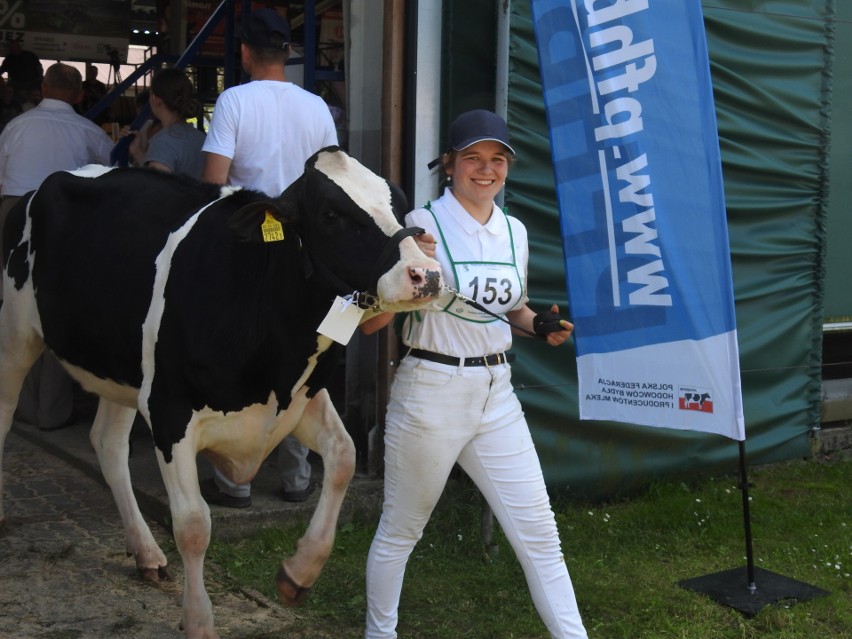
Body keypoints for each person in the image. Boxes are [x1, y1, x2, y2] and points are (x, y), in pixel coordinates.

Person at [361, 110, 588, 639]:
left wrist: (540, 325)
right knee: (402, 530)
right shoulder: (420, 225)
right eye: (473, 159)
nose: (486, 170)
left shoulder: (514, 231)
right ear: (449, 164)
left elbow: (513, 309)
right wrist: (413, 278)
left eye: (497, 160)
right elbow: (371, 323)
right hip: (430, 392)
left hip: (496, 394)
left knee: (540, 535)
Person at [199, 8, 338, 508]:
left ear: (244, 53)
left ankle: (235, 481)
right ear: (288, 53)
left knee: (241, 360)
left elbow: (213, 185)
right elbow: (331, 185)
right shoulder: (318, 108)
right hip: (304, 253)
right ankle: (297, 477)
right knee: (297, 360)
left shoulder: (235, 100)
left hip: (247, 248)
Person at [0, 62, 113, 430]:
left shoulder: (14, 127)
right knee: (58, 309)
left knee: (14, 308)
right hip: (66, 218)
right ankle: (52, 409)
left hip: (13, 211)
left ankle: (20, 402)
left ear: (43, 89)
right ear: (80, 95)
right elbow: (113, 173)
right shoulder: (90, 131)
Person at [129, 67, 205, 179]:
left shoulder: (163, 141)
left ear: (155, 99)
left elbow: (157, 189)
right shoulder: (202, 138)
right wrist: (139, 154)